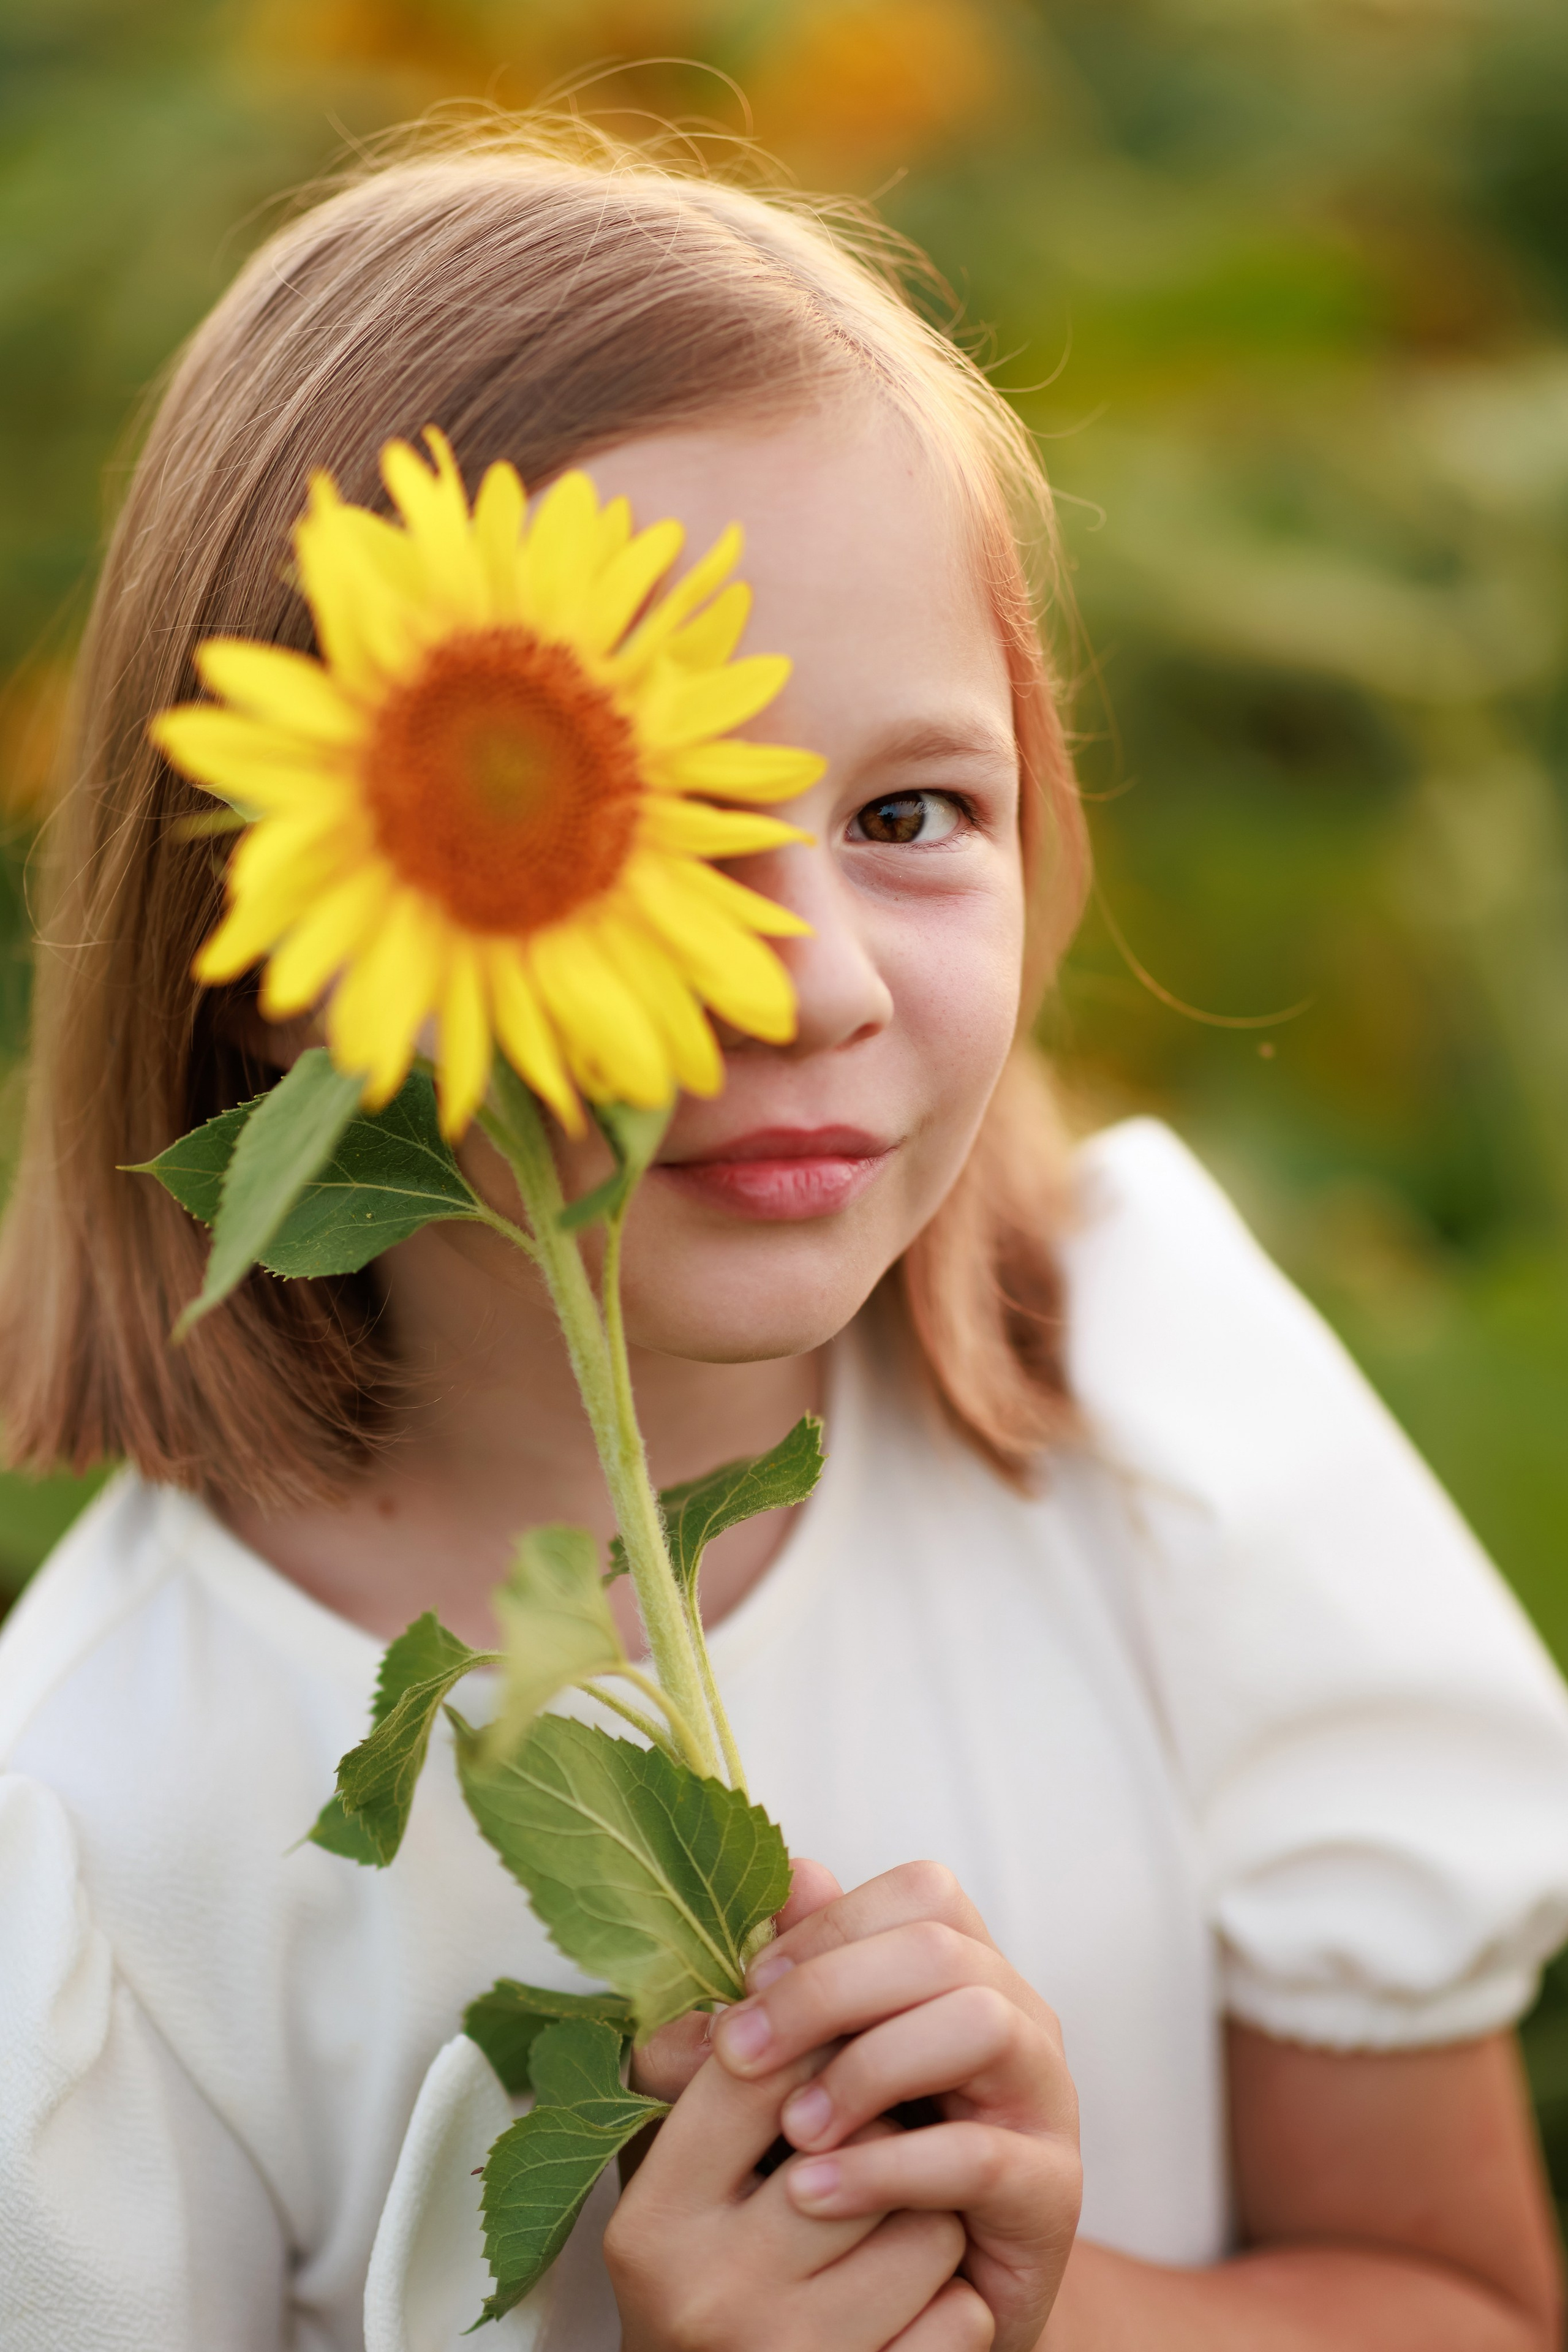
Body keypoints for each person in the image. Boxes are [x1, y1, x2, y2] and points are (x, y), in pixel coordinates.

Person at [1, 121, 1566, 2352]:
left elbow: (1466, 2308)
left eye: (911, 812)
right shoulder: (102, 1844)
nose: (814, 979)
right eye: (644, 839)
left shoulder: (1141, 1412)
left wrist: (1029, 2305)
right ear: (278, 934)